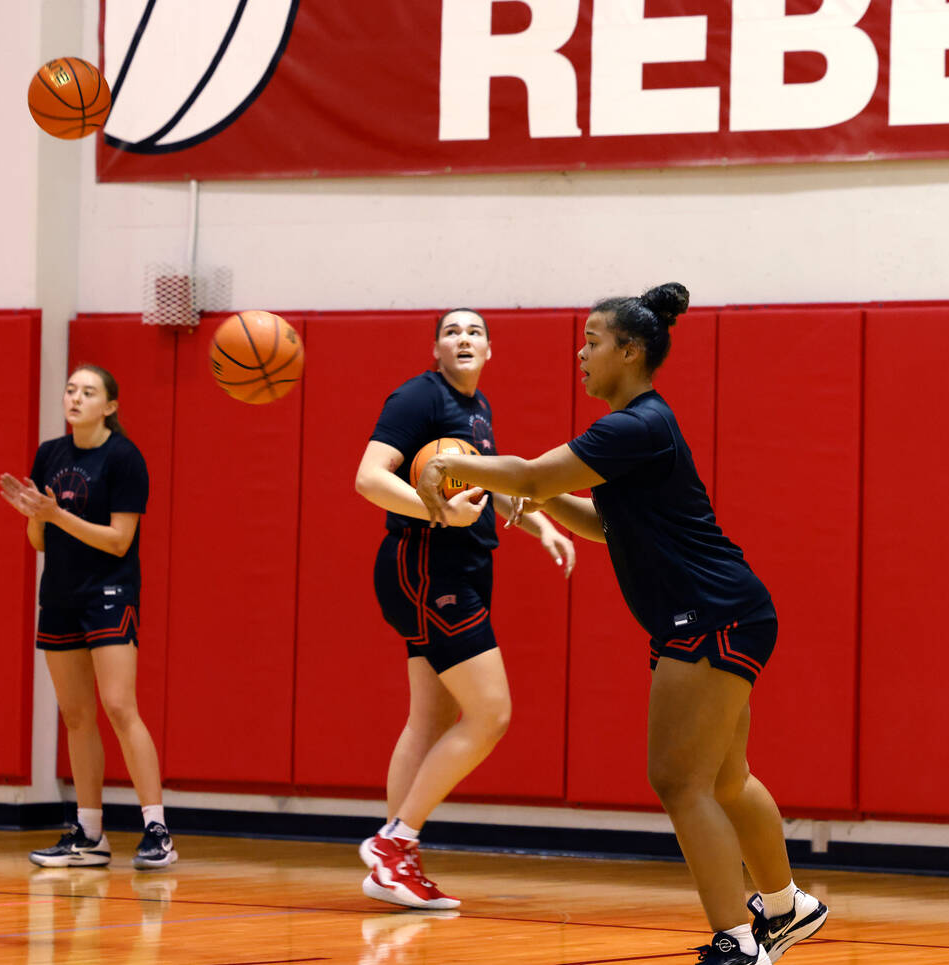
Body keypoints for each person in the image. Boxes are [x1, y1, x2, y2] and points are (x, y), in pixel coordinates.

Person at [414, 286, 827, 965]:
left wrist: (451, 463)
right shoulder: (636, 430)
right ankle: (787, 909)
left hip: (711, 613)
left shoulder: (634, 425)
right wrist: (532, 501)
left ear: (631, 351)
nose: (582, 353)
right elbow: (607, 525)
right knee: (724, 779)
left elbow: (531, 472)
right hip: (728, 610)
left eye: (594, 340)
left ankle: (740, 939)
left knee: (677, 779)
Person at [354, 308, 576, 910]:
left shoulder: (478, 411)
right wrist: (433, 512)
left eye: (474, 330)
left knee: (428, 720)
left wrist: (540, 525)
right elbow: (368, 478)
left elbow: (487, 488)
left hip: (458, 570)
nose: (464, 337)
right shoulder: (417, 399)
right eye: (451, 331)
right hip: (427, 568)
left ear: (489, 349)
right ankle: (393, 843)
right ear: (435, 351)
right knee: (491, 714)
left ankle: (395, 865)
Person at [0, 364, 177, 871]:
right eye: (71, 389)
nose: (76, 398)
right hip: (59, 594)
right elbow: (39, 542)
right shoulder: (50, 454)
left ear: (111, 406)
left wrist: (55, 516)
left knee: (120, 706)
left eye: (89, 392)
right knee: (76, 715)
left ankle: (157, 829)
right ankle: (90, 834)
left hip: (109, 591)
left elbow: (119, 539)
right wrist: (35, 517)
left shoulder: (124, 458)